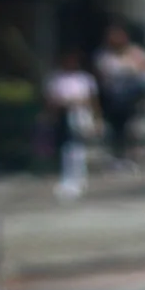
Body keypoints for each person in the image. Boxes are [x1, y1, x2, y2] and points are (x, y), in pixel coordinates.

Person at [93, 23, 145, 166]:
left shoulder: (136, 52)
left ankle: (130, 154)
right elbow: (103, 74)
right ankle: (117, 154)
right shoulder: (103, 55)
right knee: (116, 126)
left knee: (130, 125)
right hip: (112, 97)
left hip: (132, 97)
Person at [42, 47, 101, 202]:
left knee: (78, 147)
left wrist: (96, 119)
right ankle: (67, 178)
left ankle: (80, 177)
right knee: (67, 148)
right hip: (63, 116)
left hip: (80, 114)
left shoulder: (84, 78)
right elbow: (51, 100)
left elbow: (92, 100)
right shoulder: (56, 78)